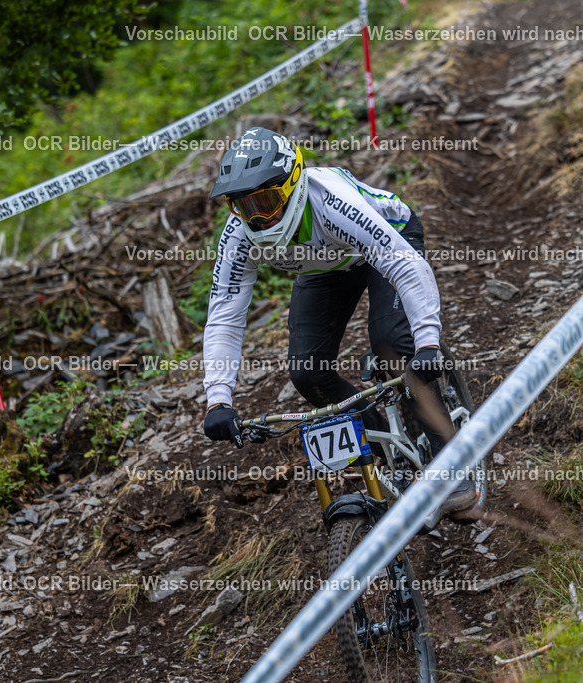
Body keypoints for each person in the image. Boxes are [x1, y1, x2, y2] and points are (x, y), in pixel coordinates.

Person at [200, 126, 476, 514]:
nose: (258, 218)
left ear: (294, 183)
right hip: (325, 267)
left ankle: (452, 462)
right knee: (308, 374)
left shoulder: (331, 202)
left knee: (392, 345)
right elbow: (225, 317)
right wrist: (217, 400)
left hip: (390, 243)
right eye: (246, 207)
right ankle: (390, 448)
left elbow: (405, 267)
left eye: (267, 201)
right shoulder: (239, 236)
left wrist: (428, 341)